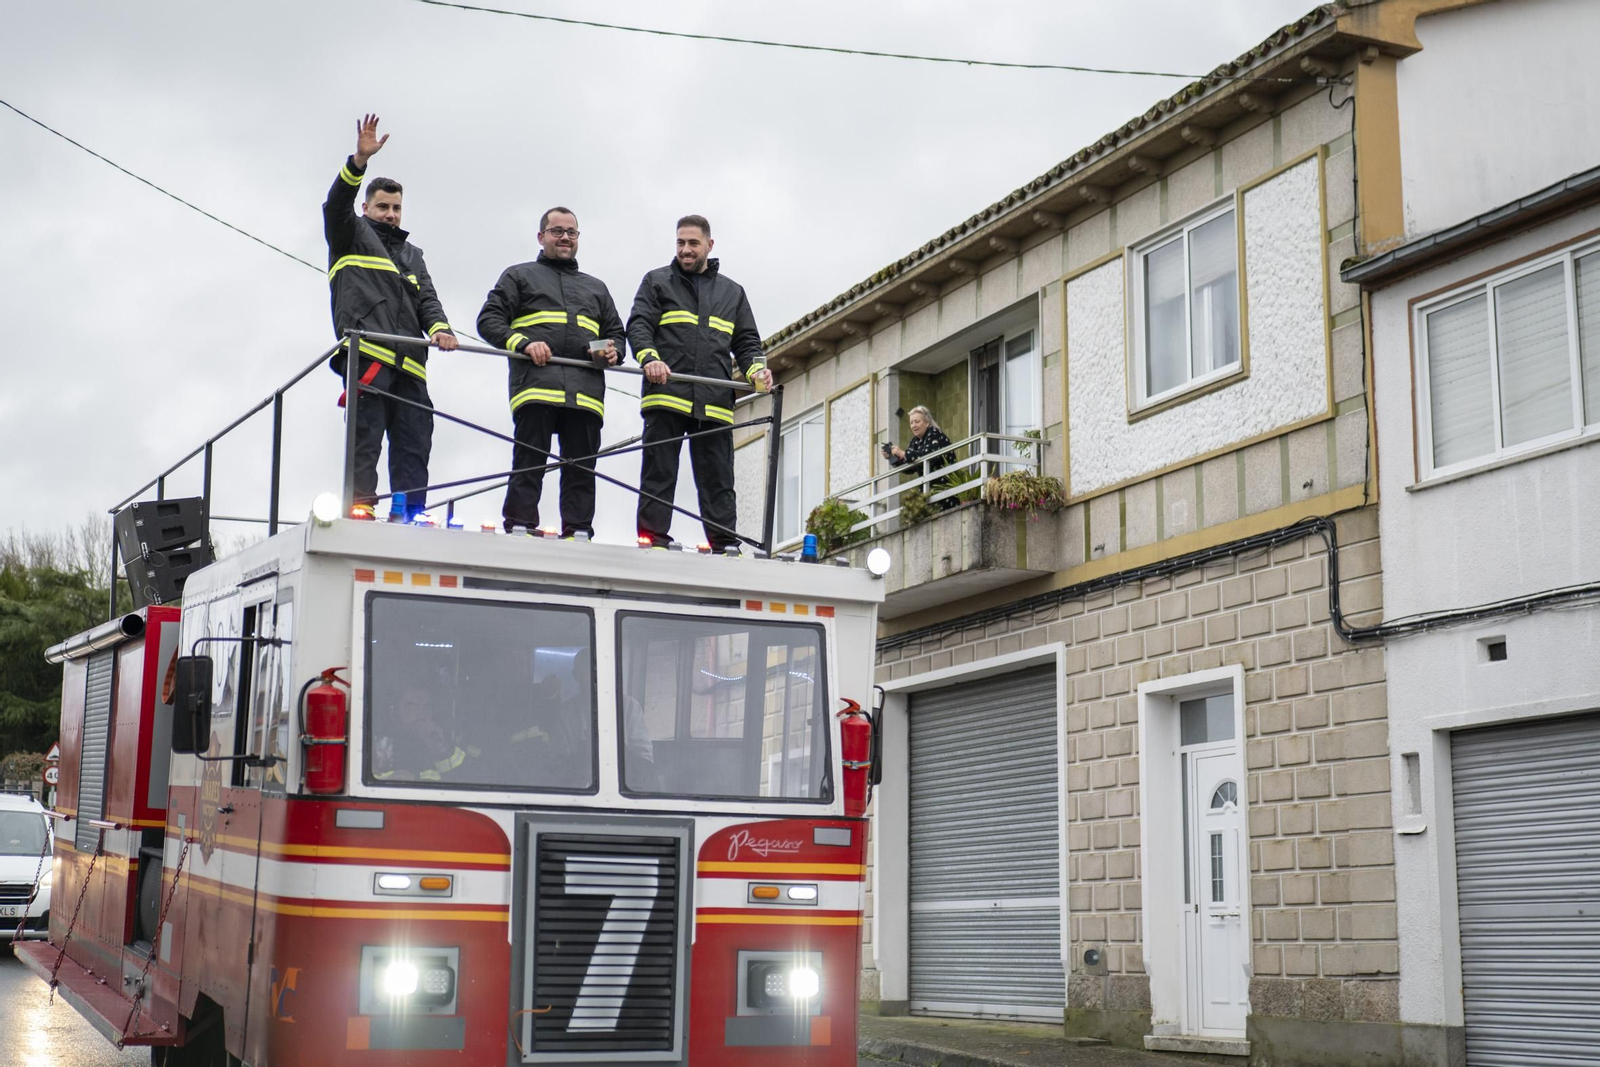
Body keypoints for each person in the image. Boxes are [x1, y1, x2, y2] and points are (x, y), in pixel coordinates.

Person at [323, 114, 457, 520]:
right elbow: (335, 205)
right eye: (382, 206)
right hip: (370, 360)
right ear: (366, 207)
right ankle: (361, 510)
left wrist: (441, 329)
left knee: (415, 444)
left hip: (413, 366)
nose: (391, 214)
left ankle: (410, 515)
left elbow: (429, 301)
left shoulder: (413, 256)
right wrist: (358, 163)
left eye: (397, 208)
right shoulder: (349, 234)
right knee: (364, 442)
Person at [627, 215, 772, 551]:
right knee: (658, 474)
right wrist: (649, 359)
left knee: (719, 480)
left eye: (693, 243)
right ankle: (653, 540)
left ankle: (724, 545)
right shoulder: (656, 282)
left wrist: (757, 371)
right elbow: (638, 327)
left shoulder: (732, 292)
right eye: (680, 243)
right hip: (666, 395)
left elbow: (748, 342)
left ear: (709, 245)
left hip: (715, 401)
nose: (686, 250)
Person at [477, 208, 624, 537]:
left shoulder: (596, 288)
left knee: (581, 470)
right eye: (557, 231)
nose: (565, 238)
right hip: (537, 387)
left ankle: (579, 532)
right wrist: (524, 343)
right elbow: (489, 320)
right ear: (541, 236)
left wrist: (613, 351)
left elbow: (617, 334)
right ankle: (519, 525)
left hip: (584, 394)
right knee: (530, 463)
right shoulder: (519, 275)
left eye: (572, 232)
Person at [372, 687, 479, 782]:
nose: (421, 713)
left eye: (426, 707)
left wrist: (439, 749)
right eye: (412, 707)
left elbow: (462, 781)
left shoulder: (442, 741)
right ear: (394, 711)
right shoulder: (378, 743)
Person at [887, 405, 956, 506]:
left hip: (945, 490)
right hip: (929, 491)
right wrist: (891, 456)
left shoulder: (935, 433)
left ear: (927, 423)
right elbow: (909, 468)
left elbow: (929, 455)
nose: (913, 425)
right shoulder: (914, 441)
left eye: (917, 421)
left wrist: (904, 453)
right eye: (911, 422)